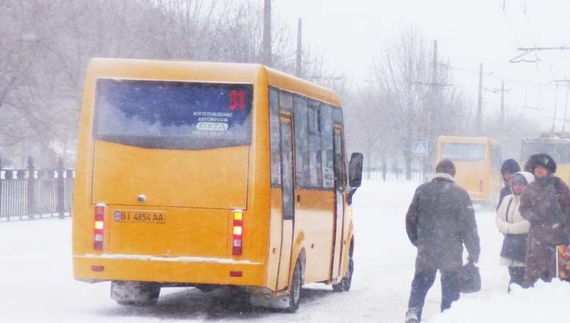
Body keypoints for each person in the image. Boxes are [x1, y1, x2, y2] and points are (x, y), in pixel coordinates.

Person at [404, 159, 481, 323]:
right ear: (453, 174)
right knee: (450, 288)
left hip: (427, 250)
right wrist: (474, 251)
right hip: (451, 251)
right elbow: (469, 226)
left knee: (420, 283)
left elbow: (410, 219)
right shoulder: (460, 194)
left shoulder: (422, 190)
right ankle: (448, 316)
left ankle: (413, 311)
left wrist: (418, 241)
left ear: (436, 171)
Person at [519, 153, 570, 287]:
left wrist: (566, 228)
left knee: (558, 272)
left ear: (549, 169)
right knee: (535, 271)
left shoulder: (559, 185)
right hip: (537, 236)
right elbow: (523, 208)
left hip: (558, 235)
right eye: (536, 167)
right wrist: (532, 217)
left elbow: (568, 207)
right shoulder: (530, 188)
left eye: (542, 167)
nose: (539, 170)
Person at [495, 171, 534, 291]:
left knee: (521, 278)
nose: (518, 187)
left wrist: (509, 228)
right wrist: (506, 227)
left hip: (526, 244)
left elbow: (531, 223)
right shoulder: (508, 199)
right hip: (510, 245)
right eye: (515, 184)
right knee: (513, 275)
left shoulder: (533, 201)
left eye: (522, 184)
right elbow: (499, 218)